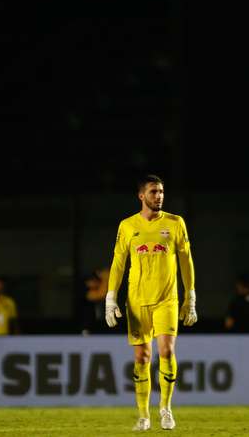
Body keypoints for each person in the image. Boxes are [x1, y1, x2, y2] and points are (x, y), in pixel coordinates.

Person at [104, 174, 196, 431]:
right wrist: (111, 297)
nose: (159, 196)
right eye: (154, 192)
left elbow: (186, 261)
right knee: (142, 357)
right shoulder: (127, 226)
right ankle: (143, 415)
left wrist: (191, 296)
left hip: (167, 299)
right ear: (141, 196)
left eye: (162, 192)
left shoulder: (176, 223)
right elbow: (118, 263)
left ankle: (165, 408)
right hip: (137, 300)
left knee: (166, 351)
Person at [82, 266, 109, 335]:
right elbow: (89, 284)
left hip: (104, 299)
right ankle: (87, 329)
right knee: (90, 314)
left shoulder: (106, 276)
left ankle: (102, 330)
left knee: (103, 315)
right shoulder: (93, 278)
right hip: (93, 299)